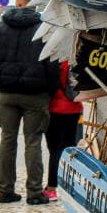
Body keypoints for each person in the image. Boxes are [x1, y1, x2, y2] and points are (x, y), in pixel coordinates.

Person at [0, 0, 56, 205]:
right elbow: (51, 63)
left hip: (7, 94)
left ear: (17, 4)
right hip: (36, 94)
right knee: (33, 142)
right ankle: (34, 192)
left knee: (8, 140)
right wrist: (49, 90)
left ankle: (6, 191)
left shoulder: (0, 29)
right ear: (35, 6)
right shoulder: (43, 29)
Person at [44, 60, 84, 201]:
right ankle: (70, 186)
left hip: (55, 109)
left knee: (55, 150)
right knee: (69, 149)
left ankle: (52, 188)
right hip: (74, 108)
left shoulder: (54, 62)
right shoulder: (74, 61)